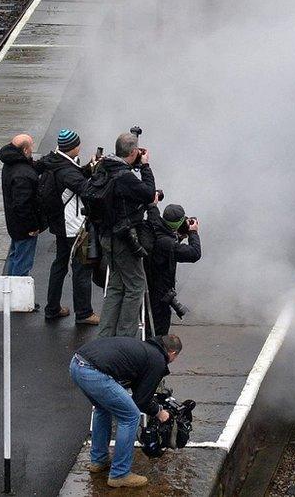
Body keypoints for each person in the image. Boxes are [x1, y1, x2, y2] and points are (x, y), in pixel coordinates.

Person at [69, 334, 182, 488]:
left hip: (76, 364)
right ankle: (120, 474)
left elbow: (137, 389)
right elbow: (141, 401)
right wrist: (159, 412)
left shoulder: (144, 348)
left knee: (103, 408)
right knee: (131, 416)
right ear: (172, 353)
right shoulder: (158, 360)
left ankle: (99, 461)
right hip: (94, 373)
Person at [97, 132, 156, 337]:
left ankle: (104, 336)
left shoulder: (104, 166)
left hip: (106, 236)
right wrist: (145, 167)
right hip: (124, 238)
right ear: (133, 152)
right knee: (136, 285)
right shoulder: (125, 177)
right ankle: (125, 338)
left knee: (115, 285)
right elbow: (149, 194)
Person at [38, 129, 99, 324]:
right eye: (78, 145)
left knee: (59, 266)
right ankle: (84, 313)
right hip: (75, 227)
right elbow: (86, 190)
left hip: (60, 225)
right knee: (82, 268)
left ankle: (52, 308)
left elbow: (75, 177)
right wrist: (97, 173)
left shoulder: (54, 162)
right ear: (73, 147)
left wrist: (89, 168)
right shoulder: (67, 171)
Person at [144, 203, 201, 335]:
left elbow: (168, 251)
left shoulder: (155, 226)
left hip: (149, 284)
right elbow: (194, 254)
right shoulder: (167, 243)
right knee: (159, 328)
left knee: (150, 321)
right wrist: (193, 233)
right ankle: (155, 349)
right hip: (159, 291)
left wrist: (179, 237)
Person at [0, 133, 41, 276]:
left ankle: (8, 291)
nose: (32, 149)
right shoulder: (22, 174)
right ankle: (17, 295)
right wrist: (33, 227)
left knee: (14, 257)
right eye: (31, 147)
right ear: (24, 150)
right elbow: (23, 205)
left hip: (14, 225)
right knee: (23, 264)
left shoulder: (10, 163)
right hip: (24, 229)